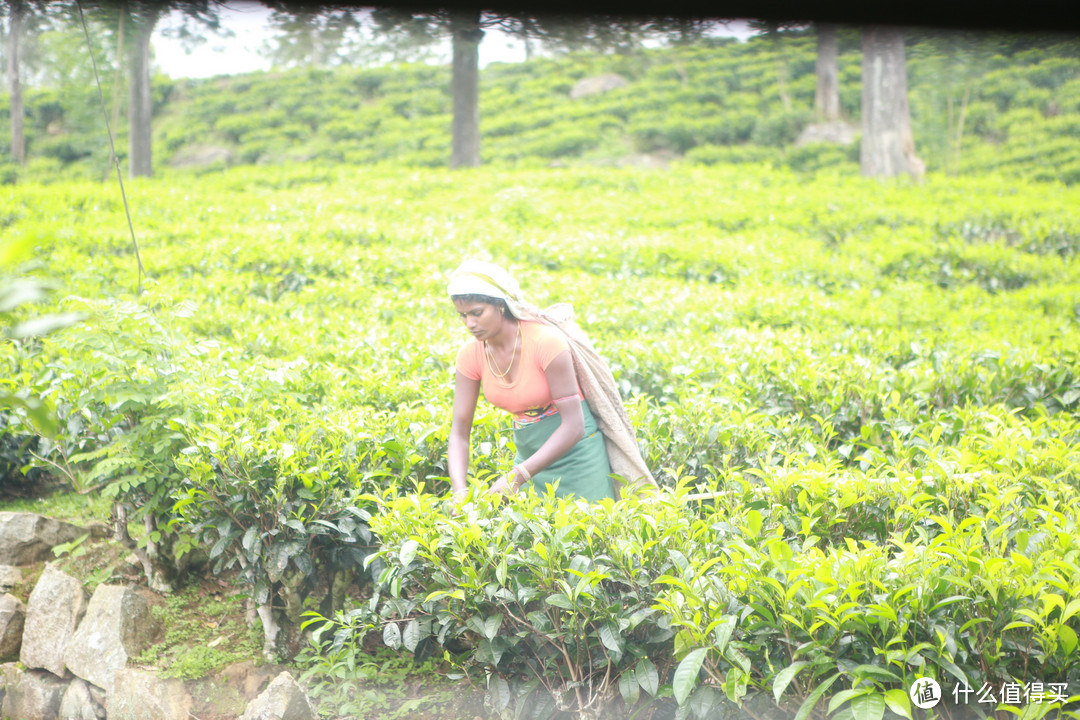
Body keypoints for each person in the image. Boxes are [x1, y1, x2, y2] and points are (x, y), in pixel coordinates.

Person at [446, 260, 619, 502]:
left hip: (577, 456)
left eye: (477, 313)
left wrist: (518, 475)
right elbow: (459, 432)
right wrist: (459, 491)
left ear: (501, 306)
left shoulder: (545, 343)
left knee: (588, 531)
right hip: (529, 457)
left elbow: (574, 425)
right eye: (462, 315)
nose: (469, 324)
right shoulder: (471, 354)